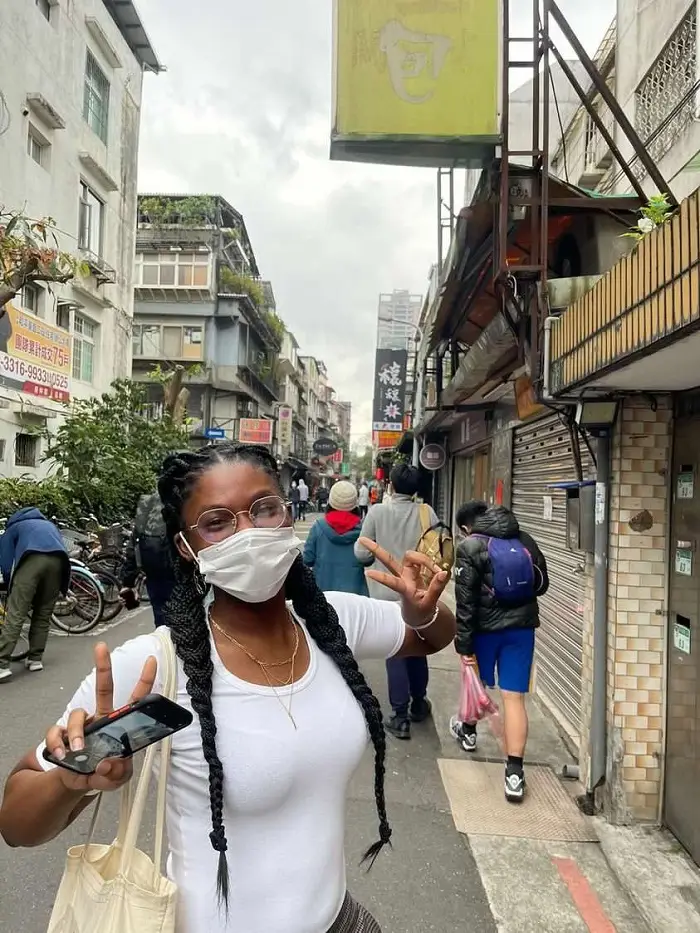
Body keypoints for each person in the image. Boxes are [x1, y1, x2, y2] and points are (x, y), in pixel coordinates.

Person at [0, 443, 455, 933]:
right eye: (216, 522)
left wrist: (423, 611)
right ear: (186, 547)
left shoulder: (332, 620)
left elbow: (429, 638)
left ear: (287, 515)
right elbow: (16, 824)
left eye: (264, 509)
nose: (248, 533)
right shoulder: (153, 664)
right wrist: (70, 781)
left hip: (336, 918)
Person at [450, 500, 549, 803]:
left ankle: (468, 731)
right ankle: (515, 775)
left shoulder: (469, 546)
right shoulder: (525, 540)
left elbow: (465, 603)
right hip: (521, 631)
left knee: (475, 683)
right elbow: (542, 585)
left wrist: (463, 644)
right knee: (514, 698)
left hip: (484, 631)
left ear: (467, 526)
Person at [354, 463, 440, 740]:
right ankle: (419, 703)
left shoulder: (378, 512)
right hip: (419, 594)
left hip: (386, 595)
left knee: (396, 650)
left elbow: (361, 553)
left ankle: (400, 716)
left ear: (390, 485)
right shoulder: (427, 513)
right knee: (417, 646)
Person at [0, 508, 70, 681]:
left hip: (31, 561)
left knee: (16, 614)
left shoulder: (14, 528)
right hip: (58, 564)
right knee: (43, 612)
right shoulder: (49, 525)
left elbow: (6, 562)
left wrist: (9, 585)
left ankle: (2, 665)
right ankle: (35, 659)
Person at [120, 492, 176, 628]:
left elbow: (133, 546)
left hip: (154, 572)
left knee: (161, 615)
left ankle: (164, 636)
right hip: (179, 570)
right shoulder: (184, 498)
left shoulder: (148, 504)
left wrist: (128, 581)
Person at [303, 481, 369, 596]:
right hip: (355, 595)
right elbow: (367, 560)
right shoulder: (363, 530)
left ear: (330, 502)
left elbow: (307, 559)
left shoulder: (318, 527)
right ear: (355, 505)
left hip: (323, 594)